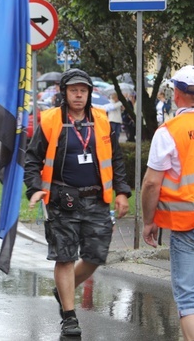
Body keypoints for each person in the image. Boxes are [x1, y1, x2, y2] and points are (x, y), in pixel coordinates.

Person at [24, 69, 131, 337]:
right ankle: (69, 317)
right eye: (74, 90)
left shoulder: (102, 120)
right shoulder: (50, 121)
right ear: (64, 93)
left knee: (96, 255)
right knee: (65, 256)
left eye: (83, 90)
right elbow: (32, 160)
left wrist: (121, 192)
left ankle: (64, 290)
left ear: (90, 93)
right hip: (62, 200)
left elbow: (115, 159)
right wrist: (35, 188)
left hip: (96, 199)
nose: (79, 94)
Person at [141, 65, 194, 341]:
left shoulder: (168, 132)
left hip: (189, 225)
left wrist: (148, 221)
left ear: (176, 94)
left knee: (191, 301)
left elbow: (152, 183)